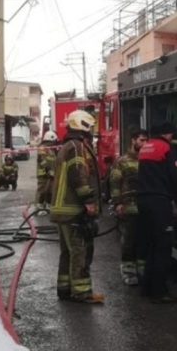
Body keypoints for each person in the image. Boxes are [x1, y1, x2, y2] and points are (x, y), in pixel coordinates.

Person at [50, 111, 104, 304]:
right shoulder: (77, 146)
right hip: (72, 209)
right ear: (83, 125)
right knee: (80, 251)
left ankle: (65, 289)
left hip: (63, 209)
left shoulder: (67, 145)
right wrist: (88, 200)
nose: (92, 131)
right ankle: (82, 291)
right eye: (91, 126)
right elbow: (78, 175)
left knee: (67, 252)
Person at [137, 122, 177, 304]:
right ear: (166, 134)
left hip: (143, 201)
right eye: (171, 134)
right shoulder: (166, 147)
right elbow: (175, 176)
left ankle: (147, 287)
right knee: (163, 248)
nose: (172, 137)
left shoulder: (146, 147)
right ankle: (160, 292)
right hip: (159, 202)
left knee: (150, 245)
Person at [109, 128, 149, 286]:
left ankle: (142, 270)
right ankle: (128, 271)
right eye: (142, 140)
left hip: (144, 206)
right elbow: (115, 183)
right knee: (129, 241)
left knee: (144, 239)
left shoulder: (148, 160)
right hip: (128, 206)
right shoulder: (122, 161)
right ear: (133, 140)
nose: (145, 143)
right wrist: (117, 203)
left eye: (146, 140)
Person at [36, 131, 59, 208]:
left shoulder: (51, 149)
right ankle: (39, 206)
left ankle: (48, 204)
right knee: (42, 190)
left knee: (50, 190)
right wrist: (46, 168)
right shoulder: (42, 148)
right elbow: (41, 159)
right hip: (43, 173)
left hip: (51, 173)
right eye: (54, 141)